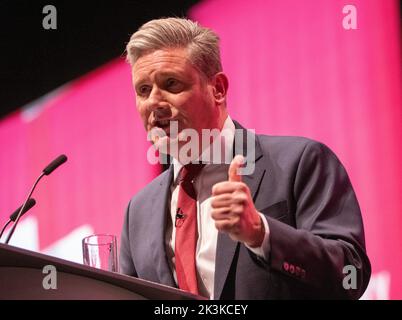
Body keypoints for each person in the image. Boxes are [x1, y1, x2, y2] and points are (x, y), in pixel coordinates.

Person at [119, 17, 371, 299]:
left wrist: (261, 233)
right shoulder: (137, 212)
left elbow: (350, 273)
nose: (154, 101)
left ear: (218, 89)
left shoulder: (300, 162)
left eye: (171, 83)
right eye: (143, 90)